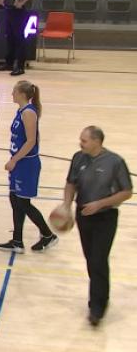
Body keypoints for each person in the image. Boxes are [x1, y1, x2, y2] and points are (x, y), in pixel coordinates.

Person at [63, 126, 132, 326]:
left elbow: (126, 192)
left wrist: (100, 204)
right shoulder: (78, 158)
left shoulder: (115, 162)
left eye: (84, 140)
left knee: (98, 259)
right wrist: (66, 206)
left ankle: (97, 307)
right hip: (83, 215)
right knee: (91, 259)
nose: (80, 144)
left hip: (105, 217)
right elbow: (71, 183)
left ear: (97, 141)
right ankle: (100, 297)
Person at [0, 80, 58, 253]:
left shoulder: (29, 113)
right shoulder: (21, 110)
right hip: (19, 162)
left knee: (23, 202)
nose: (12, 94)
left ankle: (48, 235)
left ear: (22, 94)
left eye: (14, 91)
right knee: (14, 199)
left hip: (27, 163)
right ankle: (17, 241)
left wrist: (14, 160)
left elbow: (31, 141)